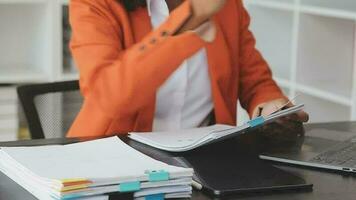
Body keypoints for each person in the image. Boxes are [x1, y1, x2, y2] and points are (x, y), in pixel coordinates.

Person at [67, 0, 308, 137]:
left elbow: (254, 79)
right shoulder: (95, 4)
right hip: (115, 162)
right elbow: (108, 95)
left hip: (204, 162)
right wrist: (189, 19)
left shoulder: (226, 6)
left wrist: (269, 103)